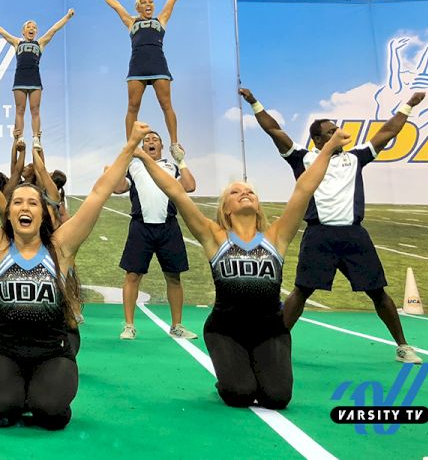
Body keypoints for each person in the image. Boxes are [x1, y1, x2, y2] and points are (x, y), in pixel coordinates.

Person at [0, 120, 151, 430]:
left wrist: (131, 145)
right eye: (17, 202)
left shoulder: (61, 247)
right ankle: (19, 392)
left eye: (32, 202)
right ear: (9, 212)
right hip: (6, 349)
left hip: (53, 350)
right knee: (0, 412)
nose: (24, 207)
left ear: (42, 213)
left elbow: (98, 193)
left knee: (50, 415)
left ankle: (41, 394)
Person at [136, 127, 352, 409]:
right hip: (226, 330)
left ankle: (253, 366)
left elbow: (305, 187)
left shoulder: (277, 236)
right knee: (239, 394)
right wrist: (141, 155)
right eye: (235, 192)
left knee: (277, 398)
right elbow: (176, 191)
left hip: (270, 330)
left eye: (249, 191)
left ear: (258, 204)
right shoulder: (214, 237)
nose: (244, 193)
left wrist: (328, 148)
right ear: (226, 207)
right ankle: (229, 375)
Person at [239, 87, 425, 363]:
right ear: (316, 139)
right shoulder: (303, 158)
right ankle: (272, 346)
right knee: (302, 291)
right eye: (330, 131)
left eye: (338, 129)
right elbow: (274, 130)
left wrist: (409, 105)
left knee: (378, 292)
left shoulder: (356, 157)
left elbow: (388, 131)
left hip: (354, 235)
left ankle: (403, 346)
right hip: (319, 235)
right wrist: (254, 102)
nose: (339, 133)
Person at [112, 131, 198, 341]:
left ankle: (177, 326)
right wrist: (126, 158)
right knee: (132, 276)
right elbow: (117, 188)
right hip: (141, 227)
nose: (150, 142)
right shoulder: (134, 166)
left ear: (161, 145)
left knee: (174, 277)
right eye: (146, 140)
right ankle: (129, 326)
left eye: (154, 140)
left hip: (168, 227)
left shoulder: (171, 166)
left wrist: (182, 160)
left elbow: (190, 186)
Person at [96, 0, 191, 158]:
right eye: (144, 2)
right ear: (138, 7)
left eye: (151, 2)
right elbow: (115, 6)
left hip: (158, 66)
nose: (149, 5)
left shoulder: (160, 20)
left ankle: (174, 143)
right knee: (132, 107)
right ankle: (131, 146)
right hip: (137, 67)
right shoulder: (131, 22)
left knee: (166, 105)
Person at [0, 10, 75, 141]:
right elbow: (1, 31)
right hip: (20, 79)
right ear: (23, 32)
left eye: (34, 27)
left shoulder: (40, 43)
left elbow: (54, 29)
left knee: (35, 109)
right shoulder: (17, 43)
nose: (32, 29)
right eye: (28, 27)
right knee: (20, 109)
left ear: (36, 32)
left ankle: (36, 138)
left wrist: (67, 16)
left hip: (34, 79)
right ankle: (20, 137)